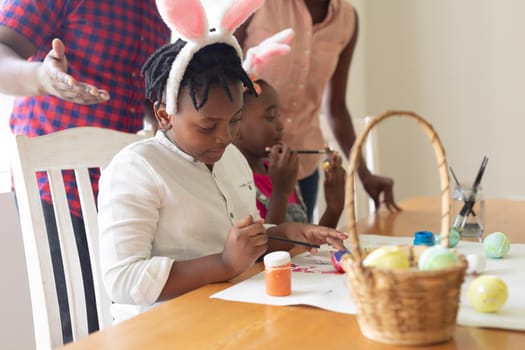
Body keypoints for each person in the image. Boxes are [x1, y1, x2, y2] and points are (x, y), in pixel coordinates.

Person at [97, 0, 348, 323]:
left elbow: (240, 246)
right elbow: (122, 281)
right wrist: (224, 265)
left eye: (235, 121)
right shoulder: (137, 169)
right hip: (162, 328)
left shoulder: (230, 160)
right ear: (164, 115)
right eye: (207, 126)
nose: (223, 137)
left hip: (227, 311)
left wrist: (290, 232)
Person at [0, 0, 170, 341]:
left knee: (127, 317)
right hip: (58, 185)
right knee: (80, 327)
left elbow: (144, 95)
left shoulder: (158, 8)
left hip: (121, 188)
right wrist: (43, 78)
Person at [235, 0, 401, 222]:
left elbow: (336, 108)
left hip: (303, 169)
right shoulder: (256, 5)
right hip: (243, 165)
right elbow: (219, 82)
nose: (280, 124)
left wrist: (363, 174)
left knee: (300, 251)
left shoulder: (347, 20)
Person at [232, 29, 345, 228]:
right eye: (271, 116)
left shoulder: (278, 171)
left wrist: (334, 207)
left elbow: (307, 246)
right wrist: (281, 191)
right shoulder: (235, 182)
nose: (281, 125)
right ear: (235, 124)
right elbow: (264, 251)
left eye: (279, 116)